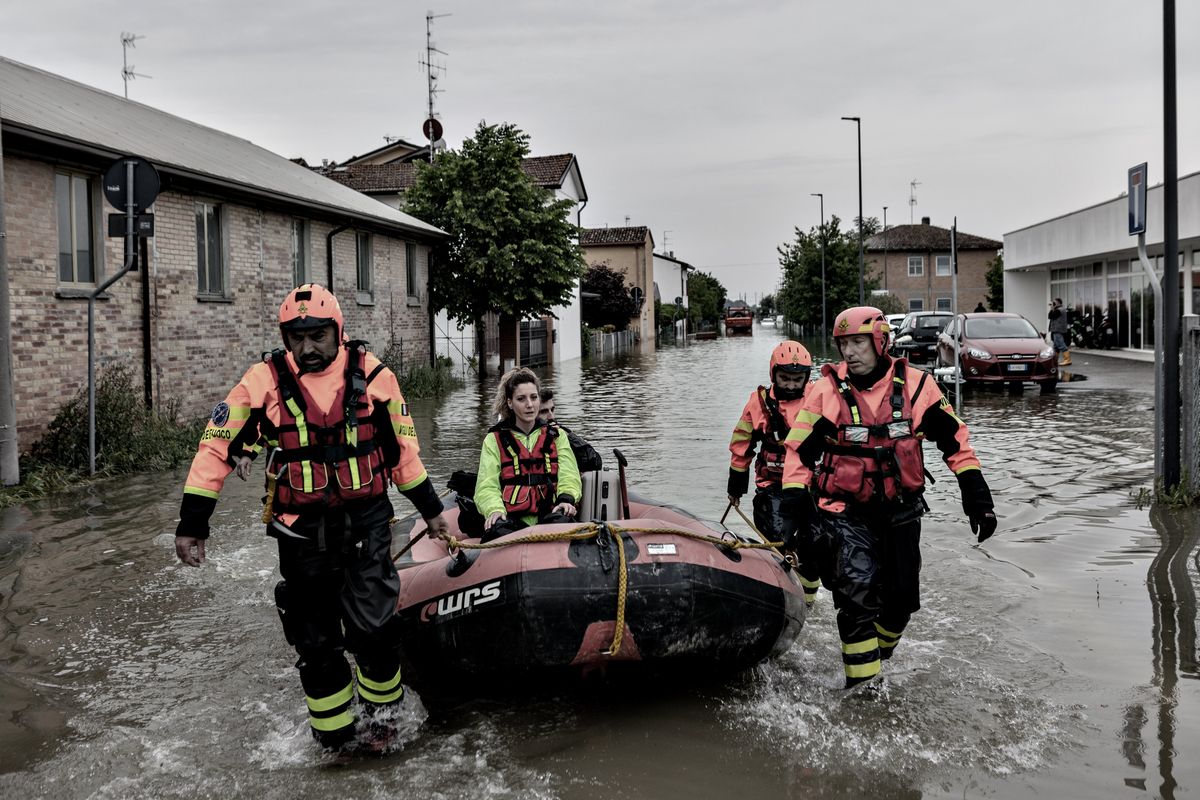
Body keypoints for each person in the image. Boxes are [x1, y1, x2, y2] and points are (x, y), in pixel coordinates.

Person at [173, 284, 450, 751]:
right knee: (316, 644)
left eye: (318, 335)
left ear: (337, 332)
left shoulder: (376, 376)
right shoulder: (261, 380)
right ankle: (334, 738)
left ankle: (384, 724)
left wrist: (433, 512)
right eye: (295, 337)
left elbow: (404, 454)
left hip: (365, 524)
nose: (307, 347)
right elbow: (216, 444)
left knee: (375, 632)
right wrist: (193, 522)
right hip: (300, 534)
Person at [782, 306, 998, 688]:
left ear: (880, 342)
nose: (849, 352)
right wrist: (796, 507)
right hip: (842, 512)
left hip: (901, 512)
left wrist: (976, 495)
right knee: (856, 594)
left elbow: (955, 442)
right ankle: (863, 696)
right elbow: (798, 452)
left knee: (899, 603)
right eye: (843, 343)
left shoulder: (918, 386)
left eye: (859, 342)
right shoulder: (825, 391)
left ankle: (874, 657)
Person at [727, 340, 822, 607]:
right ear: (773, 374)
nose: (791, 385)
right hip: (773, 486)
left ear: (807, 377)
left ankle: (807, 603)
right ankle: (780, 593)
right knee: (779, 539)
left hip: (810, 487)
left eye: (797, 379)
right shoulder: (758, 403)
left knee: (815, 543)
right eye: (785, 378)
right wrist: (736, 487)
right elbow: (741, 445)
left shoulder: (820, 398)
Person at [475, 368, 581, 541]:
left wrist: (566, 499)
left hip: (551, 516)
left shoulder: (556, 436)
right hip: (511, 521)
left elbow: (569, 474)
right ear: (510, 403)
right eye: (521, 399)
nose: (529, 405)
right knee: (497, 531)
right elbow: (487, 485)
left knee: (565, 523)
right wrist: (494, 510)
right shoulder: (494, 440)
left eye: (533, 397)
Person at [539, 387, 603, 472]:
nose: (551, 416)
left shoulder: (561, 432)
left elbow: (594, 463)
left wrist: (569, 437)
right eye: (544, 412)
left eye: (552, 410)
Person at [1048, 297, 1070, 366]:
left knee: (1061, 345)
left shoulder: (1060, 310)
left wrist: (1052, 308)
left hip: (1058, 330)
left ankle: (1067, 360)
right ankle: (1055, 360)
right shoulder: (1058, 309)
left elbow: (1052, 316)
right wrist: (1053, 308)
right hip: (1056, 329)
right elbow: (1050, 316)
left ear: (1058, 303)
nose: (1053, 304)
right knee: (1056, 346)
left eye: (1054, 302)